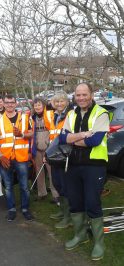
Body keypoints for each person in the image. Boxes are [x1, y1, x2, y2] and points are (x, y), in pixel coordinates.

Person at [59, 83, 109, 261]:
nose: (81, 98)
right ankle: (80, 235)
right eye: (78, 95)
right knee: (75, 202)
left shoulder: (101, 113)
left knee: (92, 203)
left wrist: (73, 138)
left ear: (91, 94)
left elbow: (95, 140)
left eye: (84, 94)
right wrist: (82, 135)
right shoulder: (71, 114)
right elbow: (61, 138)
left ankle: (98, 242)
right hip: (73, 164)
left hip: (94, 165)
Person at [0, 95, 34, 222]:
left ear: (16, 104)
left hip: (21, 157)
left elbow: (32, 133)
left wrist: (21, 134)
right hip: (6, 158)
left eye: (12, 102)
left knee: (24, 185)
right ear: (3, 104)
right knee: (9, 186)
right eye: (7, 103)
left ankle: (25, 209)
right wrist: (0, 155)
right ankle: (11, 209)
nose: (10, 105)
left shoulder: (24, 117)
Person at [45, 92, 72, 229]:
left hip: (65, 156)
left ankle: (68, 217)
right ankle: (62, 211)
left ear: (67, 102)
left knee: (65, 186)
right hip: (55, 155)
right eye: (57, 102)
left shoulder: (70, 115)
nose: (59, 104)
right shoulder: (54, 116)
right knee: (57, 184)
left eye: (62, 101)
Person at [31, 97, 59, 202]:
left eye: (39, 104)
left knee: (52, 172)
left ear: (43, 105)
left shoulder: (50, 114)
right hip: (37, 148)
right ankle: (41, 193)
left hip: (49, 148)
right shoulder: (32, 117)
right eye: (35, 105)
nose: (37, 107)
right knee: (39, 171)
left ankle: (55, 195)